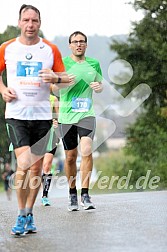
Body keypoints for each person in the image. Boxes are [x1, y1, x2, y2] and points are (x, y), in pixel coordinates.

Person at [0, 4, 74, 236]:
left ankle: (29, 212)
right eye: (26, 20)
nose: (30, 25)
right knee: (23, 165)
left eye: (34, 20)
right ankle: (21, 214)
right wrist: (2, 89)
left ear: (39, 23)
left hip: (43, 117)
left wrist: (55, 77)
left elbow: (66, 81)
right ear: (20, 22)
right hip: (16, 115)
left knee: (35, 170)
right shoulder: (6, 48)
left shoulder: (50, 50)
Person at [45, 31, 103, 211]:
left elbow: (100, 86)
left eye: (82, 41)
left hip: (86, 113)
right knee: (70, 157)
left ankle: (85, 194)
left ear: (86, 45)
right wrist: (63, 83)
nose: (79, 44)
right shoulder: (62, 64)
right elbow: (53, 88)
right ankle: (72, 194)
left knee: (86, 150)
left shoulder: (94, 63)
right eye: (75, 42)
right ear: (70, 45)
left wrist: (99, 87)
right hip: (66, 116)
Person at [41, 94, 59, 206]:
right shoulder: (35, 96)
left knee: (47, 165)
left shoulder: (54, 99)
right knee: (34, 167)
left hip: (51, 134)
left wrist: (57, 122)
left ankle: (45, 195)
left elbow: (59, 116)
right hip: (35, 134)